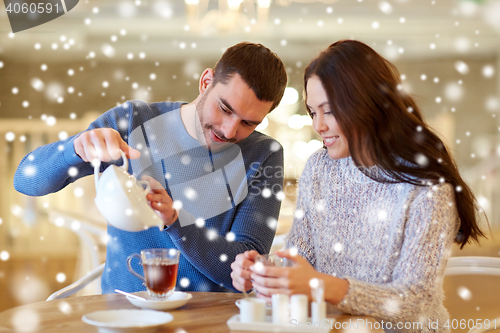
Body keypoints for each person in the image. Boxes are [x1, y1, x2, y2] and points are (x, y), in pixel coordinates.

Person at [231, 40, 486, 331]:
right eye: (313, 112)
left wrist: (321, 285)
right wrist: (266, 272)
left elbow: (415, 301)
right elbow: (301, 259)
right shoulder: (319, 167)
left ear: (366, 104)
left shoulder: (426, 188)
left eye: (329, 110)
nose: (319, 125)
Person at [14, 42, 288, 294]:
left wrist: (176, 222)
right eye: (225, 109)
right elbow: (25, 181)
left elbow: (244, 274)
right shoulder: (133, 121)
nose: (229, 130)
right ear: (206, 82)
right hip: (124, 314)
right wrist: (74, 148)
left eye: (249, 123)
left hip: (209, 319)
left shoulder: (264, 155)